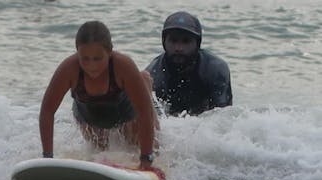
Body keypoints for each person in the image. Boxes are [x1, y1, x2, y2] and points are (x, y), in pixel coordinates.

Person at [39, 21, 157, 168]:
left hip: (125, 112)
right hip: (89, 116)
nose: (91, 65)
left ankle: (144, 81)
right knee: (101, 153)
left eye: (97, 58)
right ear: (77, 52)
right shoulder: (69, 69)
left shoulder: (123, 66)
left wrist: (146, 158)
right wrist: (47, 157)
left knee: (137, 147)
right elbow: (47, 111)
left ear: (109, 52)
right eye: (85, 59)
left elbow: (144, 112)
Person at [146, 11, 233, 116]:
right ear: (164, 42)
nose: (179, 48)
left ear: (198, 44)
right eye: (173, 41)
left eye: (186, 41)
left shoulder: (216, 70)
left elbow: (225, 116)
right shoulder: (153, 75)